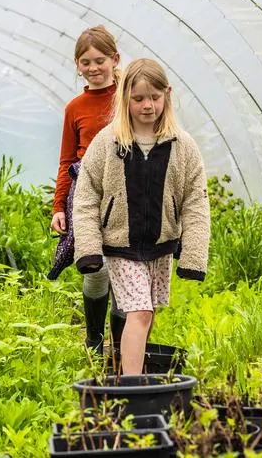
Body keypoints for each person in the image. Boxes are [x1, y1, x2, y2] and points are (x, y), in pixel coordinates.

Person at [71, 58, 210, 375]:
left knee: (148, 312)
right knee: (140, 312)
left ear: (167, 95)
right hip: (121, 245)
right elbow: (87, 194)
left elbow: (195, 201)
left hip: (160, 247)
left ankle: (123, 371)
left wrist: (193, 254)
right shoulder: (108, 142)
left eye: (155, 97)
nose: (148, 106)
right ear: (125, 99)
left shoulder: (182, 145)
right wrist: (90, 247)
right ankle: (131, 388)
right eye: (138, 99)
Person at [46, 26, 122, 354]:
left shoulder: (130, 97)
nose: (92, 68)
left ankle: (122, 347)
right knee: (96, 266)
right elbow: (66, 160)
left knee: (125, 266)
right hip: (87, 194)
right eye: (85, 62)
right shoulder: (75, 108)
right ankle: (94, 340)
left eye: (99, 60)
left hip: (126, 193)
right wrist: (58, 206)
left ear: (115, 59)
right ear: (77, 65)